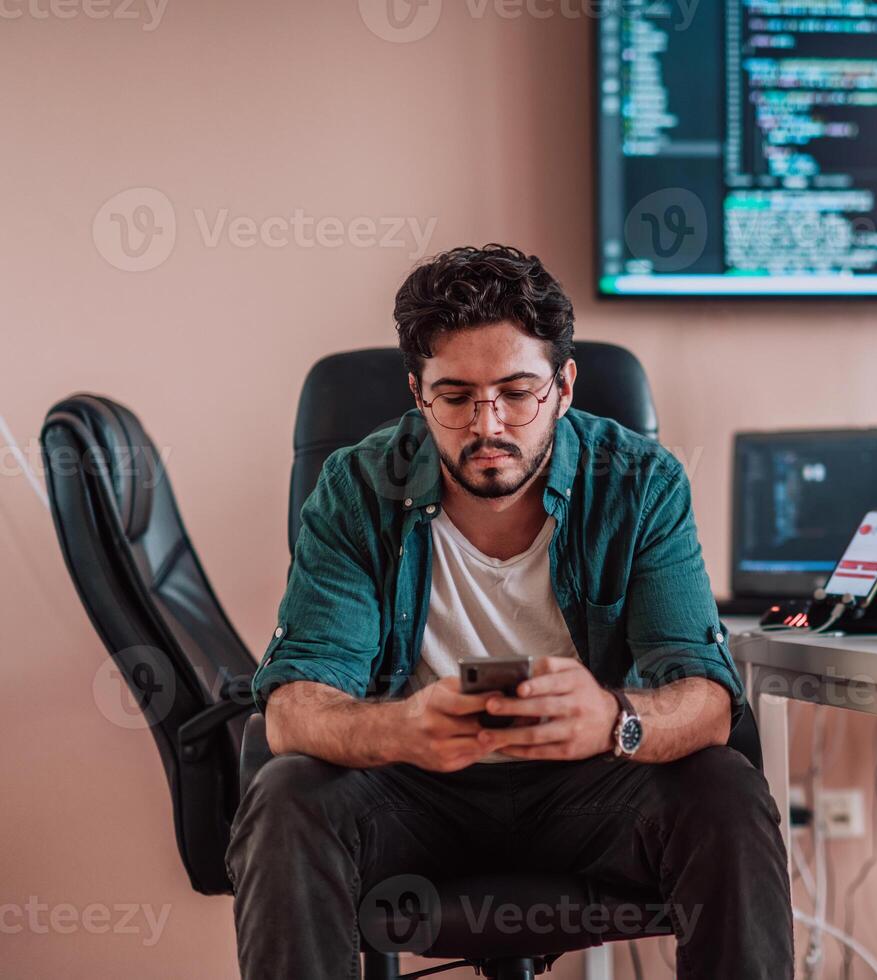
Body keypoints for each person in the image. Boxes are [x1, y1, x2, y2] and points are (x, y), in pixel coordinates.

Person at [225, 244, 793, 978]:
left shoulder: (640, 481)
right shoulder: (358, 486)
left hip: (589, 793)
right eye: (455, 397)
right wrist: (401, 727)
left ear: (563, 388)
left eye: (518, 392)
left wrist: (613, 718)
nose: (486, 426)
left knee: (725, 790)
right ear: (417, 392)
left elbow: (707, 700)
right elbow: (294, 708)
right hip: (414, 789)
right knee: (285, 795)